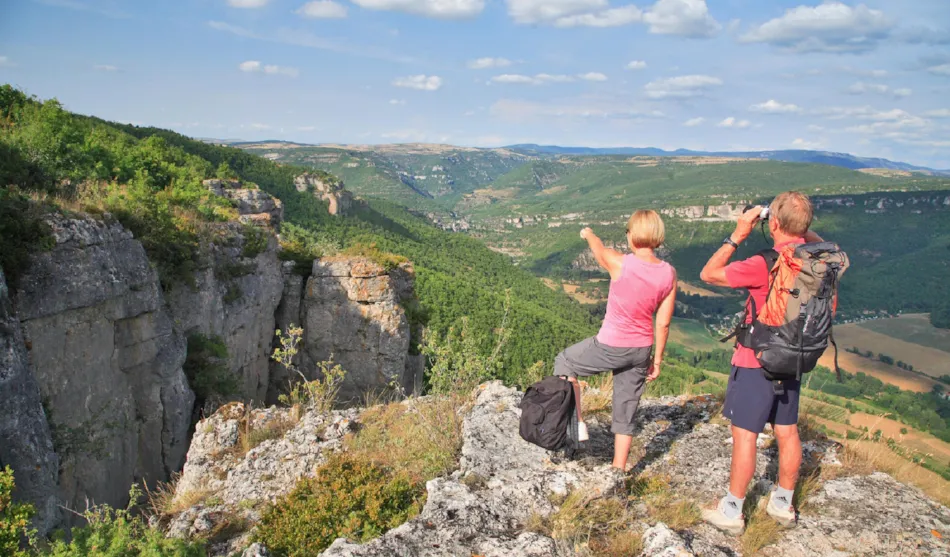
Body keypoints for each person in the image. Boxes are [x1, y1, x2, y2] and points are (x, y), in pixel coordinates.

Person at [698, 191, 826, 535]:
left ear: (775, 223)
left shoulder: (765, 262)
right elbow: (819, 240)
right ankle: (783, 504)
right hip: (795, 356)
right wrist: (797, 229)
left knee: (745, 436)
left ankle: (732, 510)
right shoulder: (820, 259)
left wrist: (738, 234)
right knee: (787, 430)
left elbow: (709, 274)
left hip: (756, 360)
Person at [554, 210, 677, 472]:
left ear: (631, 236)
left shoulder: (621, 263)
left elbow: (598, 250)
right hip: (641, 349)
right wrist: (656, 360)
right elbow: (663, 322)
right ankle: (618, 469)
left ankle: (576, 422)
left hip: (611, 344)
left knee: (565, 361)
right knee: (627, 406)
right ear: (658, 237)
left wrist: (589, 234)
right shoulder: (669, 273)